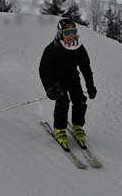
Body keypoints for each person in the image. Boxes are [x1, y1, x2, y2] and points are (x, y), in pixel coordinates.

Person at [39, 18, 97, 150]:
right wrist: (49, 88)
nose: (71, 36)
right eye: (67, 33)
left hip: (72, 77)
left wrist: (90, 86)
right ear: (60, 33)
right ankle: (59, 129)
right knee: (63, 100)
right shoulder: (52, 49)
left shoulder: (79, 47)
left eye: (73, 32)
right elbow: (44, 71)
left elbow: (85, 67)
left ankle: (77, 126)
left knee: (80, 100)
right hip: (57, 79)